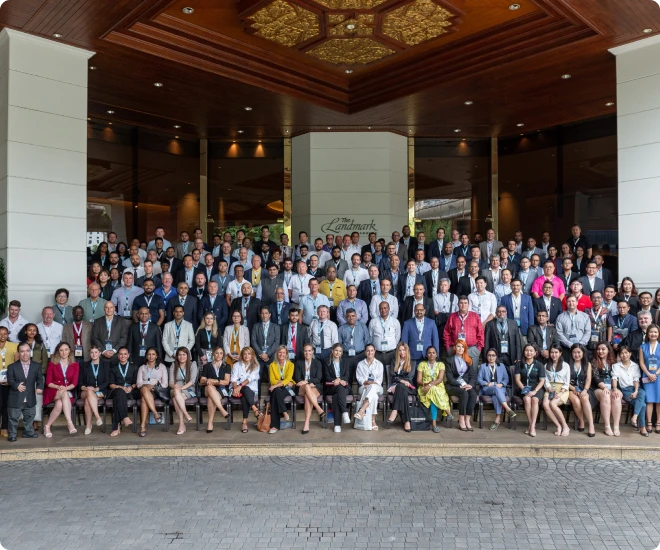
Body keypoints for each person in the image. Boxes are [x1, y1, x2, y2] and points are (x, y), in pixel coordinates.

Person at [6, 342, 44, 442]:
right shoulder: (12, 367)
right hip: (16, 397)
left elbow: (40, 379)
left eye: (27, 351)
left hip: (30, 397)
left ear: (30, 351)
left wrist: (39, 387)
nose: (25, 354)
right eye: (22, 351)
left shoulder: (36, 366)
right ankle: (12, 434)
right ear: (18, 353)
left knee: (30, 416)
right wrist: (16, 385)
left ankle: (28, 432)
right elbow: (10, 380)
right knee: (13, 418)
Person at [42, 342, 79, 437]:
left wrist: (65, 388)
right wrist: (58, 387)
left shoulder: (75, 364)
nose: (64, 352)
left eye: (66, 350)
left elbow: (74, 383)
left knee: (59, 405)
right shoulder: (52, 364)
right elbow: (48, 382)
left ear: (69, 351)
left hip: (67, 390)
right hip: (52, 390)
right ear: (58, 352)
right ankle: (70, 423)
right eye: (61, 350)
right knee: (64, 393)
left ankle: (47, 426)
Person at [17, 323, 49, 429]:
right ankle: (27, 422)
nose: (32, 332)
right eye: (29, 330)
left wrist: (41, 373)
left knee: (37, 398)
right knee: (25, 398)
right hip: (24, 375)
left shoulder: (41, 344)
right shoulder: (21, 344)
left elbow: (45, 360)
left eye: (34, 330)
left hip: (37, 375)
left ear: (37, 332)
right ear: (25, 331)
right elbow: (17, 359)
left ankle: (35, 422)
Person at [612, 345, 648, 436]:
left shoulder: (635, 366)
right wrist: (615, 389)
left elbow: (636, 380)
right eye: (622, 353)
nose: (624, 355)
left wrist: (636, 391)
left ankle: (634, 417)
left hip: (635, 388)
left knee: (642, 392)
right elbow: (614, 378)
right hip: (625, 390)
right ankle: (642, 427)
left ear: (630, 354)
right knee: (643, 404)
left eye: (626, 353)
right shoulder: (616, 366)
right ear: (619, 355)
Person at [477, 348, 516, 430]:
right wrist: (486, 383)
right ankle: (507, 408)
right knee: (496, 389)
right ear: (486, 356)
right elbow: (479, 379)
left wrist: (502, 384)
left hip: (500, 388)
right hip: (488, 388)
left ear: (496, 356)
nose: (491, 357)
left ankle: (497, 419)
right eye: (489, 355)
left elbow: (506, 379)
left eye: (493, 355)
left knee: (495, 396)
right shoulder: (483, 366)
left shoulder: (501, 366)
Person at [416, 345, 451, 432]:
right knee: (433, 391)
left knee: (433, 393)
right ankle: (448, 412)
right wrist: (427, 384)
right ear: (426, 355)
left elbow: (440, 379)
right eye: (429, 353)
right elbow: (418, 380)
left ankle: (434, 424)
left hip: (439, 388)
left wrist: (430, 385)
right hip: (424, 388)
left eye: (433, 353)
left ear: (436, 354)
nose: (431, 354)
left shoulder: (441, 364)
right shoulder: (422, 364)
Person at [444, 339, 477, 431]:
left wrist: (470, 385)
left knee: (473, 394)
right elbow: (450, 378)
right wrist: (460, 385)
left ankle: (467, 419)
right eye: (458, 346)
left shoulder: (468, 359)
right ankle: (461, 419)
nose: (460, 348)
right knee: (464, 393)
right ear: (454, 347)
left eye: (463, 347)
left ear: (465, 349)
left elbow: (473, 375)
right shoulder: (449, 360)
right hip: (453, 386)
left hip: (466, 385)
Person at [514, 344, 545, 437]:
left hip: (537, 389)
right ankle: (531, 424)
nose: (529, 352)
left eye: (531, 351)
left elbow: (542, 381)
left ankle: (533, 426)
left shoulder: (539, 364)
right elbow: (517, 380)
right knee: (527, 399)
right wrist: (525, 390)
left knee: (534, 400)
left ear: (535, 353)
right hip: (524, 388)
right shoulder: (519, 364)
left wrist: (535, 391)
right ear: (524, 352)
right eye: (527, 350)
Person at [136, 348, 168, 437]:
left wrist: (154, 386)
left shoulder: (162, 367)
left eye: (153, 354)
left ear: (156, 356)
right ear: (146, 356)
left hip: (156, 391)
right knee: (144, 388)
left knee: (143, 399)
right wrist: (147, 385)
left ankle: (143, 426)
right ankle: (155, 413)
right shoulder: (142, 367)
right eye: (149, 354)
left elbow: (165, 384)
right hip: (143, 389)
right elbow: (138, 384)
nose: (151, 356)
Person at [443, 295, 484, 364]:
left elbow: (480, 333)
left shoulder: (475, 316)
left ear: (468, 305)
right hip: (456, 349)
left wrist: (479, 348)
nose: (463, 305)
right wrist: (448, 347)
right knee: (456, 369)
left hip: (472, 349)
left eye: (465, 303)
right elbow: (446, 332)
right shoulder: (452, 316)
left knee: (472, 370)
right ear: (458, 304)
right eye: (461, 303)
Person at [386, 342, 417, 432]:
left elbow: (409, 378)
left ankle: (395, 411)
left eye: (404, 350)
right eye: (400, 350)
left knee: (400, 387)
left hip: (409, 387)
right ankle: (407, 421)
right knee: (400, 389)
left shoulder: (412, 362)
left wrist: (400, 382)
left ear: (407, 351)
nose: (402, 352)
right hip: (398, 386)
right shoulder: (394, 361)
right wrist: (401, 381)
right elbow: (392, 376)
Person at [294, 343, 325, 434]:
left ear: (313, 351)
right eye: (305, 351)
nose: (307, 353)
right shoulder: (299, 363)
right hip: (302, 387)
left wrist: (307, 381)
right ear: (303, 352)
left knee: (308, 396)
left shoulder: (317, 363)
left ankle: (306, 423)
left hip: (315, 387)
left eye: (309, 351)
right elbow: (297, 378)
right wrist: (307, 384)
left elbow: (318, 378)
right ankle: (318, 408)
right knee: (307, 387)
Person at [78, 345, 109, 435]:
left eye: (96, 352)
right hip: (85, 390)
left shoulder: (105, 364)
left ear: (100, 353)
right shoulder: (85, 365)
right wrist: (85, 388)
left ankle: (88, 425)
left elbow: (107, 381)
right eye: (92, 352)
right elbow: (80, 381)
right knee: (89, 392)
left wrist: (96, 389)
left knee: (88, 401)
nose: (94, 354)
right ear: (89, 353)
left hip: (100, 391)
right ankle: (97, 417)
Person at [567, 344, 596, 437]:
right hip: (570, 388)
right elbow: (564, 381)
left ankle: (591, 425)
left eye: (579, 352)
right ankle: (581, 421)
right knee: (576, 400)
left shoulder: (587, 364)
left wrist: (585, 390)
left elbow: (588, 379)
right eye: (574, 352)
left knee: (584, 398)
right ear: (571, 353)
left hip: (584, 388)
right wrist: (573, 389)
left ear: (583, 353)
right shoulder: (567, 364)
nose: (576, 355)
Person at [107, 347, 137, 437]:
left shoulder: (134, 367)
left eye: (125, 354)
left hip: (130, 391)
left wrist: (131, 387)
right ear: (118, 356)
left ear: (128, 355)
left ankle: (116, 426)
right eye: (120, 354)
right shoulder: (113, 368)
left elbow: (136, 382)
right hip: (116, 389)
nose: (123, 356)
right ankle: (125, 417)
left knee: (117, 399)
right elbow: (111, 384)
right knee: (119, 392)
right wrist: (121, 387)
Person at [168, 347, 198, 435]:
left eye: (184, 355)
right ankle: (186, 414)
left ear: (187, 355)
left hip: (188, 388)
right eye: (179, 355)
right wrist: (175, 386)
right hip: (175, 388)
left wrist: (181, 388)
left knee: (175, 399)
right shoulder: (173, 365)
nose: (182, 357)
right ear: (177, 356)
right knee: (176, 393)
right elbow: (170, 382)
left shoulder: (192, 364)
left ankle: (181, 424)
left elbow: (192, 381)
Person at [543, 344, 571, 436]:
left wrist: (561, 393)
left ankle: (565, 426)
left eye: (556, 352)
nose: (554, 354)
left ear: (560, 353)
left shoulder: (565, 365)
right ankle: (558, 426)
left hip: (562, 389)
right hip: (550, 388)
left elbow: (567, 382)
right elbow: (545, 380)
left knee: (553, 404)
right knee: (545, 404)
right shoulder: (546, 365)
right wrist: (549, 388)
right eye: (552, 352)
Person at [354, 344, 384, 430]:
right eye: (368, 351)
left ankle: (362, 410)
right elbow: (359, 379)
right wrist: (366, 382)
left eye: (371, 350)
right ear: (365, 352)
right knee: (374, 396)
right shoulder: (360, 364)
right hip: (364, 387)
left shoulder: (379, 364)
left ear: (374, 351)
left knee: (373, 387)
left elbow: (379, 381)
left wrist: (370, 383)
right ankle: (373, 421)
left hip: (378, 388)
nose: (370, 352)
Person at [591, 342, 619, 436]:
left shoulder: (614, 362)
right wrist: (604, 387)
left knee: (617, 397)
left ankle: (616, 426)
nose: (600, 351)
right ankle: (607, 426)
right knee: (606, 395)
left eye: (603, 349)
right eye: (598, 349)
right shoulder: (594, 361)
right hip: (599, 387)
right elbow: (596, 378)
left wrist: (614, 388)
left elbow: (616, 377)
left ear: (608, 350)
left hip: (613, 386)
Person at [323, 344, 351, 433]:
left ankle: (337, 425)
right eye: (336, 350)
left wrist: (339, 380)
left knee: (336, 396)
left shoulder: (345, 362)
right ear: (332, 351)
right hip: (331, 387)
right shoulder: (327, 362)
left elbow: (347, 376)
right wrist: (336, 380)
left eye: (340, 351)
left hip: (344, 386)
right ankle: (344, 412)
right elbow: (327, 377)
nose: (338, 353)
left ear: (342, 353)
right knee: (339, 389)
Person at [267, 345, 294, 434]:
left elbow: (288, 379)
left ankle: (274, 426)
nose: (282, 354)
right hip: (277, 388)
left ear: (286, 354)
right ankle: (284, 412)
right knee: (276, 392)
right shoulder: (272, 365)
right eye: (280, 352)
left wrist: (276, 385)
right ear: (277, 353)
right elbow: (272, 380)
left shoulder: (290, 365)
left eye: (283, 353)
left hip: (287, 388)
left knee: (275, 394)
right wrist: (282, 382)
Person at [639, 323, 660, 434]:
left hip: (658, 376)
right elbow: (641, 363)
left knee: (659, 400)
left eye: (655, 332)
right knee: (649, 400)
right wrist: (648, 374)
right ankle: (649, 423)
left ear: (658, 334)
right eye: (651, 332)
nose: (653, 334)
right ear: (647, 334)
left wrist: (655, 374)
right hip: (647, 376)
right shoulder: (642, 347)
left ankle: (658, 423)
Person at [556, 296, 590, 361]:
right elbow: (559, 333)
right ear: (566, 303)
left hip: (582, 348)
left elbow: (587, 332)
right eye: (569, 301)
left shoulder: (585, 316)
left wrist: (580, 344)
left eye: (573, 301)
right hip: (566, 348)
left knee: (582, 366)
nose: (571, 303)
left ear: (577, 302)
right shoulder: (560, 317)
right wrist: (569, 344)